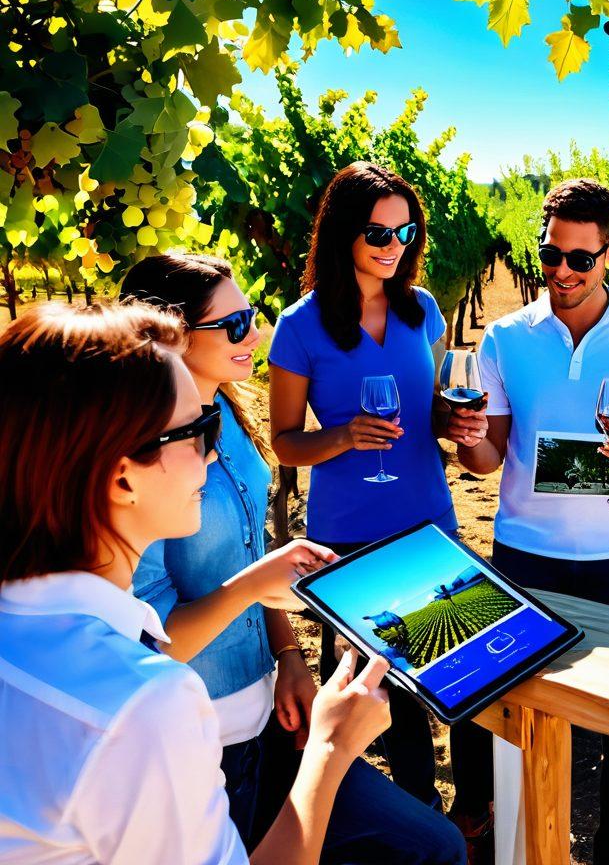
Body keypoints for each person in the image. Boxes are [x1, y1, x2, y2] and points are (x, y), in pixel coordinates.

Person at [0, 300, 392, 863]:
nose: (212, 457)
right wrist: (332, 748)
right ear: (120, 477)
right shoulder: (142, 705)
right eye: (197, 432)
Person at [121, 253, 466, 864]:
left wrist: (289, 658)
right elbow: (150, 644)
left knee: (431, 846)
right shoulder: (135, 462)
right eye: (232, 326)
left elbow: (253, 551)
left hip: (270, 712)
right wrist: (256, 586)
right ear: (168, 333)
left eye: (249, 317)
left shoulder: (226, 413)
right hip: (207, 735)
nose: (254, 335)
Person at [449, 179, 609, 865]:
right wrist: (467, 435)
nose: (560, 271)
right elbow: (487, 459)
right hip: (525, 556)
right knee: (519, 715)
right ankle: (517, 843)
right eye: (550, 255)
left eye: (579, 259)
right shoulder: (506, 338)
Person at [269, 161, 466, 817]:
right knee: (368, 692)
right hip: (348, 532)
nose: (393, 247)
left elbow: (428, 410)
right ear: (343, 234)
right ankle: (370, 824)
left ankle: (448, 821)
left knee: (442, 681)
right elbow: (285, 442)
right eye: (378, 234)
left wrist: (453, 419)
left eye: (404, 232)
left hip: (428, 519)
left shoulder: (423, 310)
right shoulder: (299, 326)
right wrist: (344, 437)